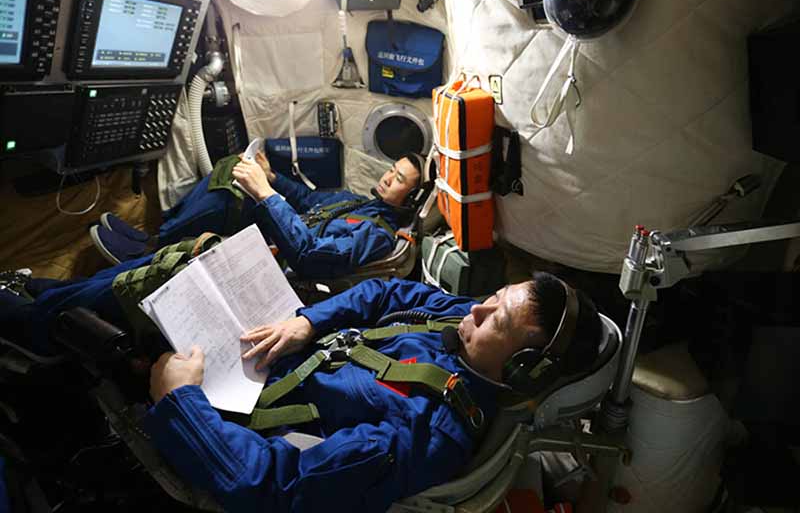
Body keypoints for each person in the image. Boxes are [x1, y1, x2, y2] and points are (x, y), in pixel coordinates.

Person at [144, 273, 603, 513]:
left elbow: (278, 486)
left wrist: (180, 403)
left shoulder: (427, 433)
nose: (477, 309)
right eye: (495, 295)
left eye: (496, 319)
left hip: (232, 409)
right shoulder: (465, 322)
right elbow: (386, 293)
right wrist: (309, 322)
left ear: (521, 369)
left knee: (130, 332)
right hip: (276, 349)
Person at [91, 152, 428, 279]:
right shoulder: (356, 201)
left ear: (411, 198)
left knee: (230, 195)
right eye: (391, 169)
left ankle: (152, 247)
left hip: (281, 257)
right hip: (282, 230)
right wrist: (271, 178)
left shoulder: (376, 233)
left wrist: (266, 195)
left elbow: (311, 257)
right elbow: (308, 199)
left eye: (399, 179)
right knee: (230, 170)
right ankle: (159, 237)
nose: (387, 177)